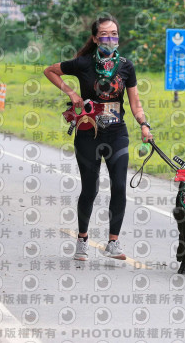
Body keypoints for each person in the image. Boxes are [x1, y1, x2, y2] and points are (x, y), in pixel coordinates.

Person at [43, 15, 153, 261]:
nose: (110, 39)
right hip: (87, 133)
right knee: (90, 189)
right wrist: (71, 92)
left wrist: (144, 125)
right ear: (95, 38)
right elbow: (49, 71)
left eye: (114, 34)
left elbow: (135, 104)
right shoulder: (82, 63)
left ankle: (113, 242)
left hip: (117, 134)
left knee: (120, 187)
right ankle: (82, 240)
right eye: (105, 34)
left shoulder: (126, 66)